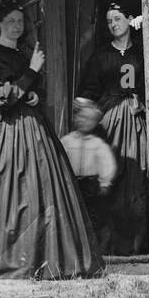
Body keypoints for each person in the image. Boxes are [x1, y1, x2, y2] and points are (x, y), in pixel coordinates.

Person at [0, 0, 104, 280]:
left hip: (34, 131)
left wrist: (35, 94)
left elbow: (29, 91)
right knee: (1, 189)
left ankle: (39, 255)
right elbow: (3, 99)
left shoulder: (23, 55)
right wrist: (33, 72)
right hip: (2, 133)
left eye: (20, 22)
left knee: (39, 188)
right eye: (10, 21)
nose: (16, 27)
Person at [78, 1, 149, 255]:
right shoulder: (101, 55)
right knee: (110, 176)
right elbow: (89, 89)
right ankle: (106, 243)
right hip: (109, 121)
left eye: (118, 19)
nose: (113, 24)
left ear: (129, 20)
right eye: (109, 21)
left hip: (136, 120)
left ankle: (135, 245)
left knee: (136, 175)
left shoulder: (141, 52)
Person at [60, 97, 117, 253]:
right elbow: (60, 160)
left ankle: (96, 248)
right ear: (75, 118)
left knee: (94, 215)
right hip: (72, 183)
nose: (84, 122)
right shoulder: (67, 141)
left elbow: (107, 163)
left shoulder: (97, 144)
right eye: (81, 117)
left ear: (94, 123)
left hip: (91, 184)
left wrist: (105, 182)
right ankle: (75, 248)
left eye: (88, 119)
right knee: (73, 213)